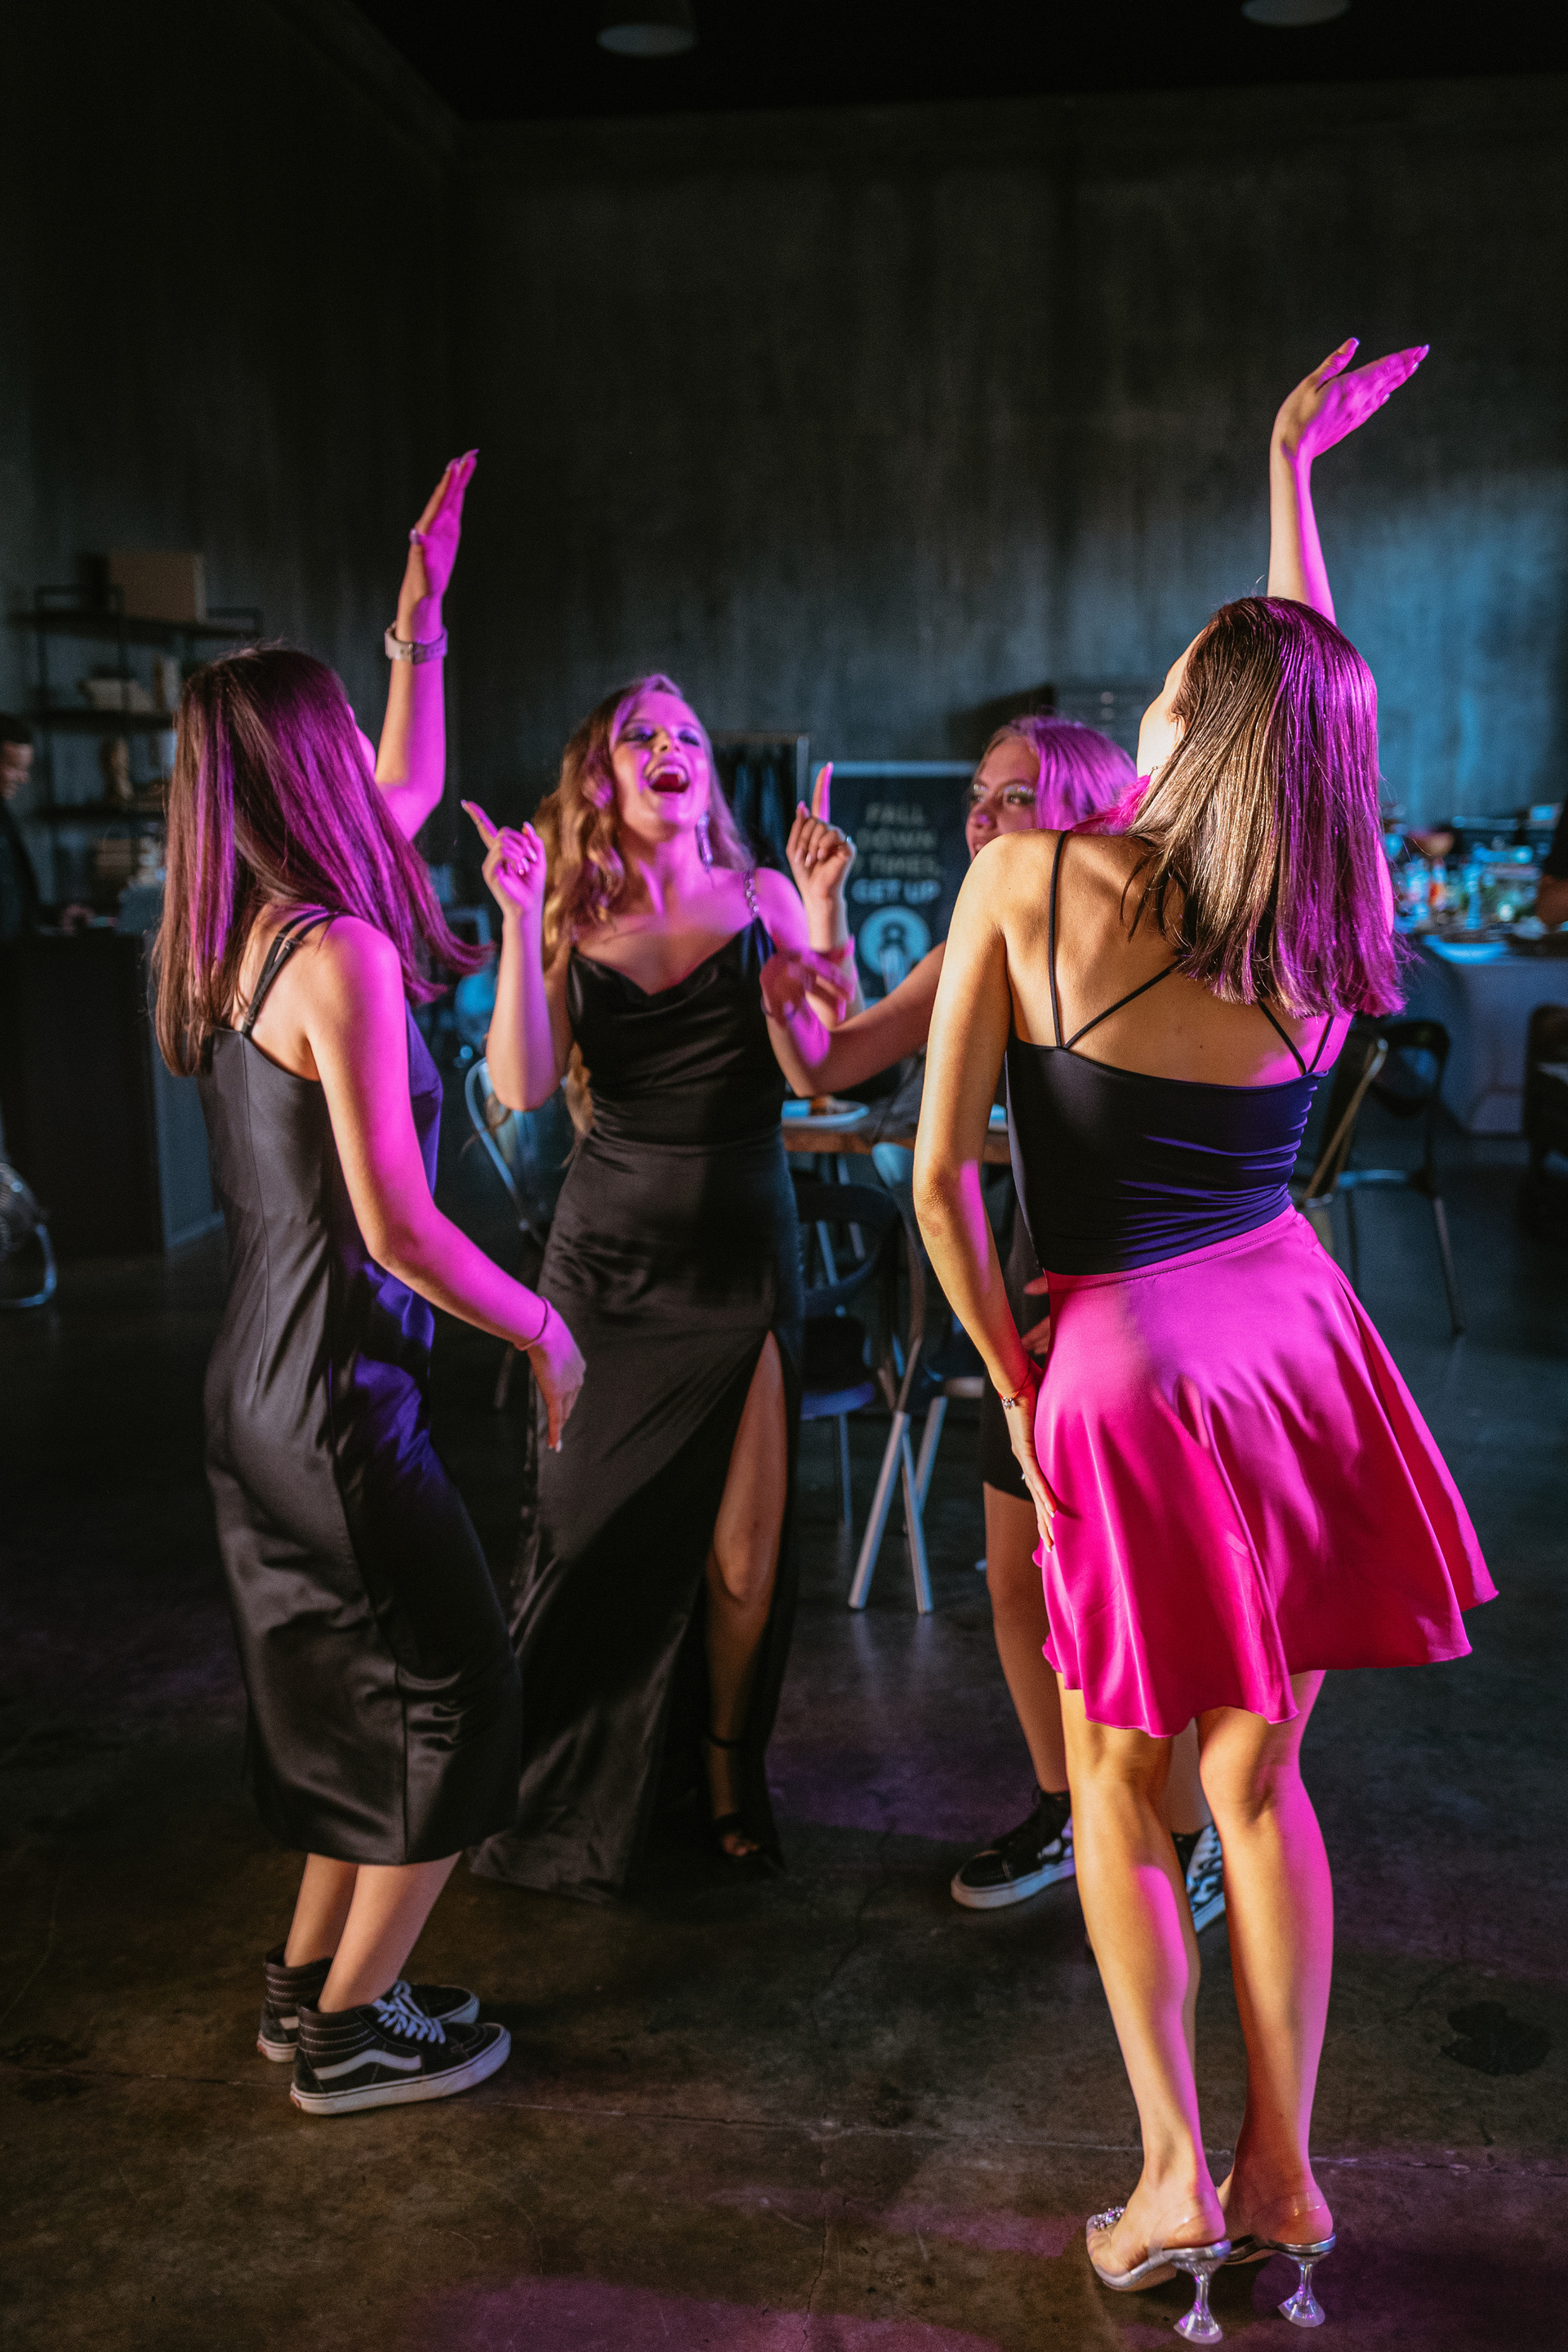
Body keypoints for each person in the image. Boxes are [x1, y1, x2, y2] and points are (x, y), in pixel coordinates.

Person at [912, 339, 1494, 2336]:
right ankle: (1287, 2177)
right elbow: (1310, 691)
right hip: (1296, 1345)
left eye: (1171, 682)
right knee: (1260, 1782)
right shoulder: (1332, 910)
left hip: (1130, 1362)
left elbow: (940, 1188)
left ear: (1191, 732)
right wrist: (1287, 473)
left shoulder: (1029, 879)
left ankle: (1169, 2178)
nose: (1151, 695)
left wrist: (1016, 1387)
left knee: (1113, 1771)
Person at [155, 457, 586, 2118]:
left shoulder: (239, 932)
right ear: (302, 767)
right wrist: (541, 1327)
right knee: (463, 1694)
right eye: (342, 723)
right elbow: (400, 1230)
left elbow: (399, 780)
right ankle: (353, 2030)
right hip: (337, 1393)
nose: (369, 746)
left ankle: (309, 1988)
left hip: (255, 1387)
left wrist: (424, 622)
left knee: (353, 1700)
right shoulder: (338, 949)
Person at [775, 724, 1232, 1921]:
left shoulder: (1176, 937)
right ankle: (1066, 1809)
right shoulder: (984, 927)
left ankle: (1190, 1832)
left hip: (1153, 1301)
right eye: (977, 797)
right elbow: (828, 1066)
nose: (980, 819)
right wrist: (820, 918)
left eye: (1015, 798)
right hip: (1031, 1286)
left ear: (1090, 810)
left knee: (1154, 1599)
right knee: (1020, 1577)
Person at [464, 675, 850, 1892]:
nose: (670, 746)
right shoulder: (568, 914)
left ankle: (728, 1773)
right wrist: (521, 923)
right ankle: (546, 1783)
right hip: (606, 1274)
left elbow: (816, 1068)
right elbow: (524, 1087)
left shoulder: (764, 895)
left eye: (687, 733)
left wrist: (823, 915)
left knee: (744, 1559)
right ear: (602, 776)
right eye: (642, 734)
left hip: (742, 1264)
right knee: (579, 1536)